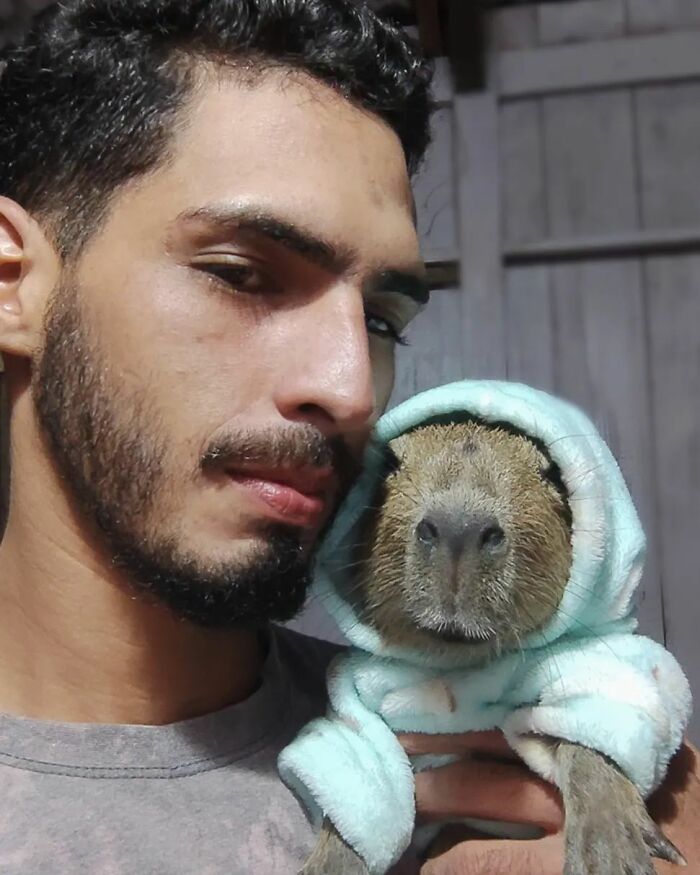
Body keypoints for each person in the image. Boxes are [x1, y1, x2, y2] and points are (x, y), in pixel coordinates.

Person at [0, 1, 696, 872]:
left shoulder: (496, 744)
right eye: (241, 274)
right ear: (11, 284)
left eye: (381, 319)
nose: (350, 388)